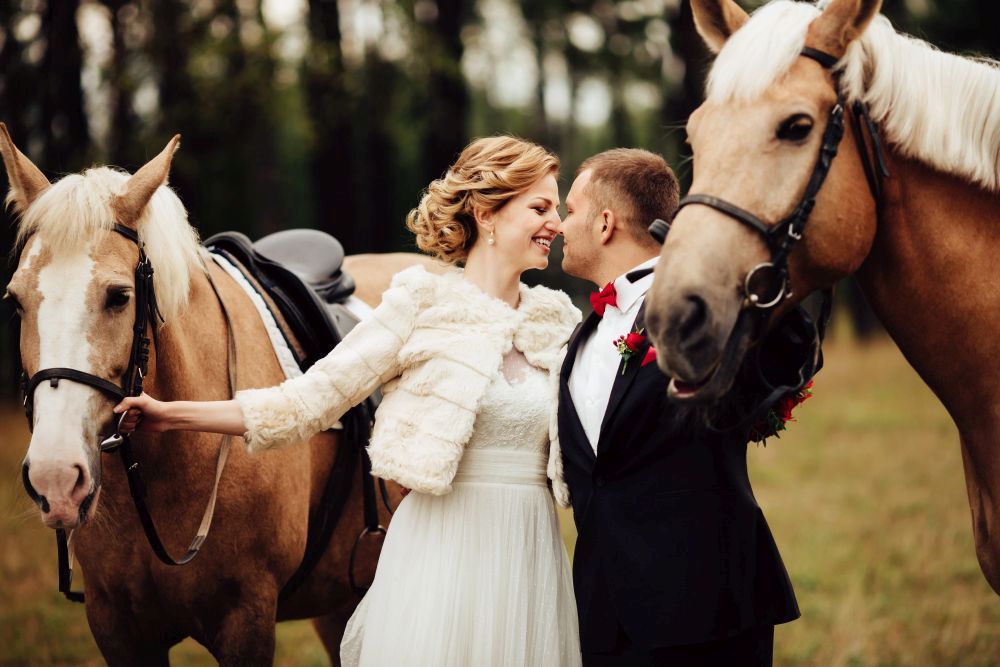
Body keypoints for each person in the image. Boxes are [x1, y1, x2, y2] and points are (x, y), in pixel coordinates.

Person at [115, 136, 583, 666]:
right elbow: (306, 403)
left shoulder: (558, 320)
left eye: (560, 210)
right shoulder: (419, 303)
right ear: (487, 213)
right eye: (541, 207)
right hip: (444, 555)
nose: (558, 224)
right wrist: (169, 414)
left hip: (531, 554)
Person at [556, 148, 799, 666]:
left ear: (605, 223)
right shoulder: (579, 337)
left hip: (706, 616)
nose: (559, 224)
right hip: (603, 622)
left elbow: (781, 359)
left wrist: (736, 277)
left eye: (570, 210)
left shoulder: (705, 313)